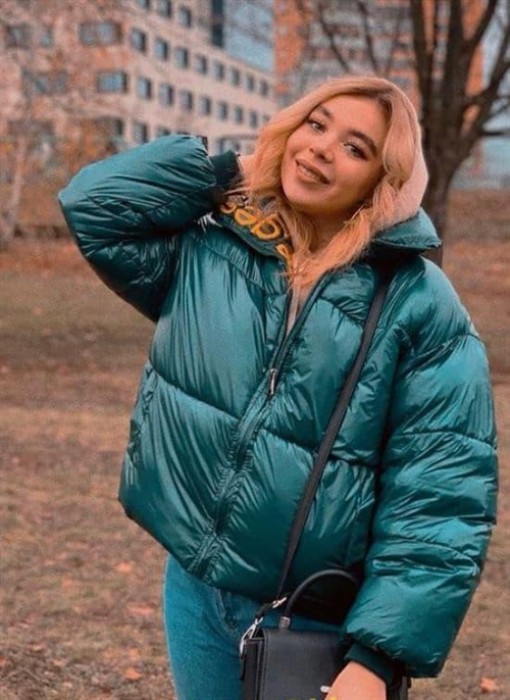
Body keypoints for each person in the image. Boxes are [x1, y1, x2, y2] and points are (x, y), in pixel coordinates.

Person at [59, 75, 498, 700]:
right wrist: (230, 171)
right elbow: (95, 205)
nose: (321, 148)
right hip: (196, 585)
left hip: (316, 615)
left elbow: (442, 494)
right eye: (315, 125)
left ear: (384, 181)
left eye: (355, 148)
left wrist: (377, 658)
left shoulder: (419, 303)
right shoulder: (217, 248)